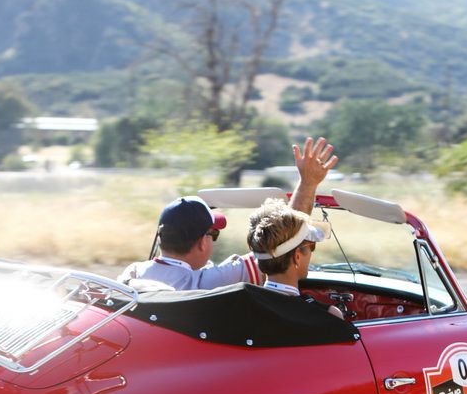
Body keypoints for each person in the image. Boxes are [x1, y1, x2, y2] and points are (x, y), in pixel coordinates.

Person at [118, 136, 338, 290]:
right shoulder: (209, 281)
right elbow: (285, 240)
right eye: (214, 234)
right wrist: (308, 182)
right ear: (202, 243)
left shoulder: (133, 273)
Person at [247, 199, 344, 318]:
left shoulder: (235, 304)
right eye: (312, 246)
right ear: (297, 256)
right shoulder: (329, 315)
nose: (311, 252)